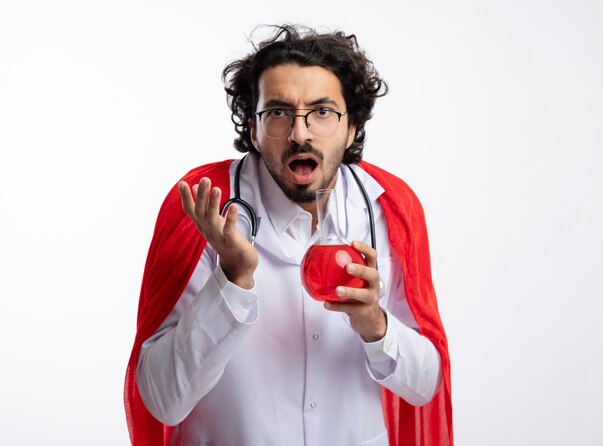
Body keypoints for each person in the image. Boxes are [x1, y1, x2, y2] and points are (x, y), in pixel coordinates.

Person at [124, 24, 452, 446]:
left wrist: (376, 324)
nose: (300, 133)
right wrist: (232, 280)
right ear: (253, 127)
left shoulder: (390, 209)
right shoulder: (204, 208)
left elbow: (426, 386)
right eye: (278, 112)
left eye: (322, 112)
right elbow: (161, 400)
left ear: (351, 127)